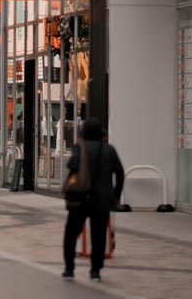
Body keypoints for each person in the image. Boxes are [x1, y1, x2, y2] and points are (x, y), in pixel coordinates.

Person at [62, 118, 125, 282]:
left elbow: (72, 166)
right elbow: (120, 173)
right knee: (98, 236)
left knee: (71, 233)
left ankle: (69, 269)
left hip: (81, 197)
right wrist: (116, 196)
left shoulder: (79, 148)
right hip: (103, 200)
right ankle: (95, 271)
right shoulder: (110, 150)